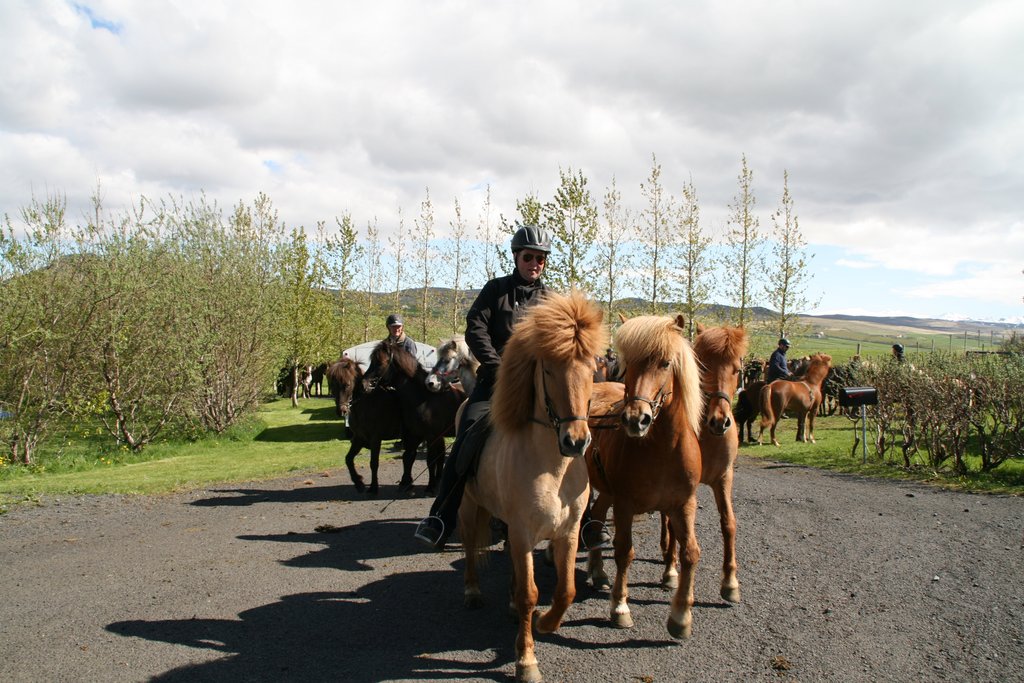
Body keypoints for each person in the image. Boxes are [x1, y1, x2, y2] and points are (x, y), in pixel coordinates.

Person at [414, 225, 611, 551]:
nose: (535, 263)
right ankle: (441, 516)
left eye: (540, 259)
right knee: (468, 432)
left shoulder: (551, 300)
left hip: (540, 387)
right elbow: (475, 328)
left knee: (576, 435)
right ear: (517, 257)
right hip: (496, 383)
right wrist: (496, 365)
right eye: (529, 257)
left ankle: (587, 519)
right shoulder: (495, 290)